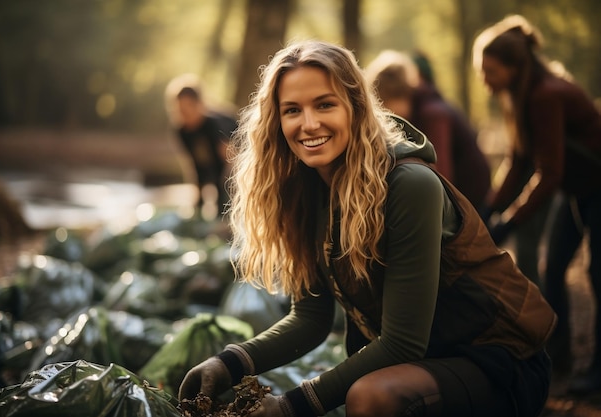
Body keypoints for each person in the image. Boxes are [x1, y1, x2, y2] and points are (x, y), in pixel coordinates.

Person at [178, 39, 556, 416]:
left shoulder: (409, 185)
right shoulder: (307, 193)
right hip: (425, 363)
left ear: (355, 107)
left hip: (497, 360)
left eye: (325, 104)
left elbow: (403, 344)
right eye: (292, 110)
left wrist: (293, 406)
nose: (309, 124)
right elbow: (311, 317)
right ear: (277, 121)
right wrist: (228, 364)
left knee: (369, 397)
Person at [472, 15, 601, 393]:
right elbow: (518, 160)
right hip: (578, 191)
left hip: (596, 188)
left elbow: (550, 172)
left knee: (597, 275)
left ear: (513, 68)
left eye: (490, 71)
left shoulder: (546, 95)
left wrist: (509, 221)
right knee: (553, 266)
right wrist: (488, 207)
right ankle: (557, 357)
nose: (484, 79)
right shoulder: (523, 96)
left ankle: (596, 372)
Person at [364, 49, 492, 211]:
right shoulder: (421, 109)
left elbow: (441, 172)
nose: (386, 114)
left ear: (400, 93)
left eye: (385, 103)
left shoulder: (433, 114)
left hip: (469, 198)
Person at [164, 73, 237, 216]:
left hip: (228, 163)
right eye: (180, 110)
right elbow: (195, 163)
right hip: (212, 164)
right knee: (198, 205)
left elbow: (231, 162)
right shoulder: (181, 130)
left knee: (223, 199)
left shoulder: (214, 125)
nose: (185, 114)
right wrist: (198, 199)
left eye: (188, 108)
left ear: (199, 104)